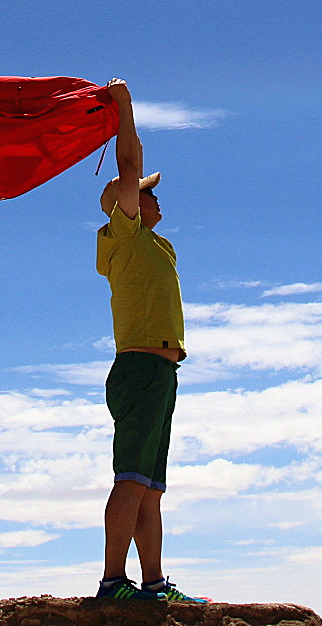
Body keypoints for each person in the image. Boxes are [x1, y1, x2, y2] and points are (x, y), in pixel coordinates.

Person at [91, 79, 208, 603]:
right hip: (139, 369)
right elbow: (130, 163)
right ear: (124, 200)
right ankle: (113, 582)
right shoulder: (124, 235)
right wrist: (125, 107)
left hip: (161, 372)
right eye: (144, 190)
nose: (153, 195)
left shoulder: (156, 246)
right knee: (131, 479)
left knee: (151, 489)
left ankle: (154, 584)